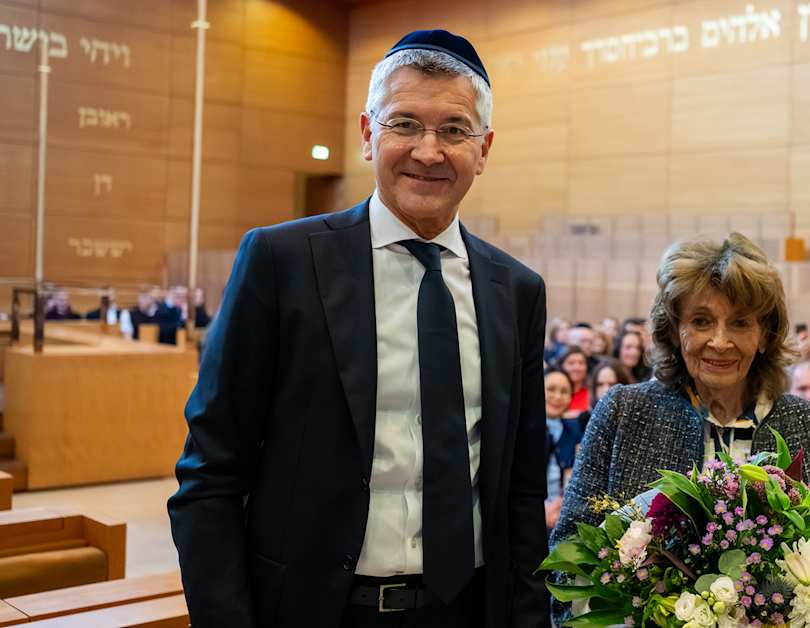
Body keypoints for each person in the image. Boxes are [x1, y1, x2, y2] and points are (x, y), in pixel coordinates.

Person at [168, 30, 549, 628]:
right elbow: (210, 471)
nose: (429, 151)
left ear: (484, 149)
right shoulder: (282, 263)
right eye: (405, 124)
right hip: (317, 611)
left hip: (471, 610)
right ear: (369, 134)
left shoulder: (517, 291)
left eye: (454, 130)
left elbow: (521, 487)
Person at [551, 233, 810, 553]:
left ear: (764, 335)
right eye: (701, 321)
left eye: (740, 323)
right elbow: (568, 551)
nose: (720, 342)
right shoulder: (624, 412)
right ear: (674, 330)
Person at [544, 369, 583, 531]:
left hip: (564, 511)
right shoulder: (525, 429)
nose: (557, 397)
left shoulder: (574, 430)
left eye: (564, 392)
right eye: (551, 389)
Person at [558, 345, 590, 419]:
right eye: (571, 363)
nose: (577, 367)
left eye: (581, 363)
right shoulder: (555, 392)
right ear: (562, 366)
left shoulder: (591, 391)